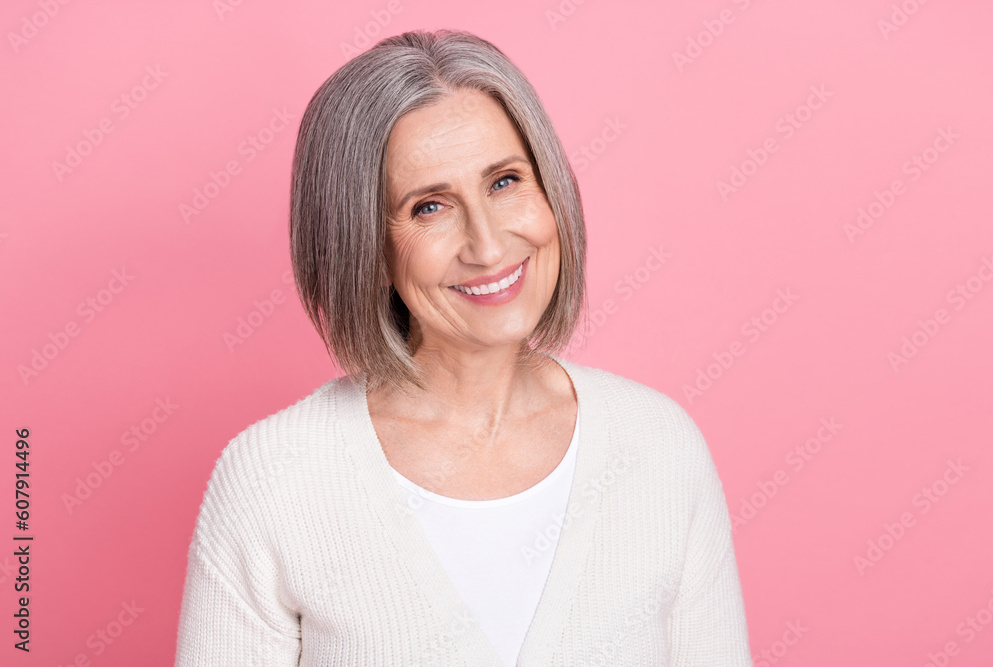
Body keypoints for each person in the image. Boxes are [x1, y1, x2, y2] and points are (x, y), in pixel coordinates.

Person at [175, 28, 753, 666]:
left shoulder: (659, 448)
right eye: (428, 207)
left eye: (504, 182)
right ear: (363, 245)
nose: (486, 245)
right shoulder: (274, 481)